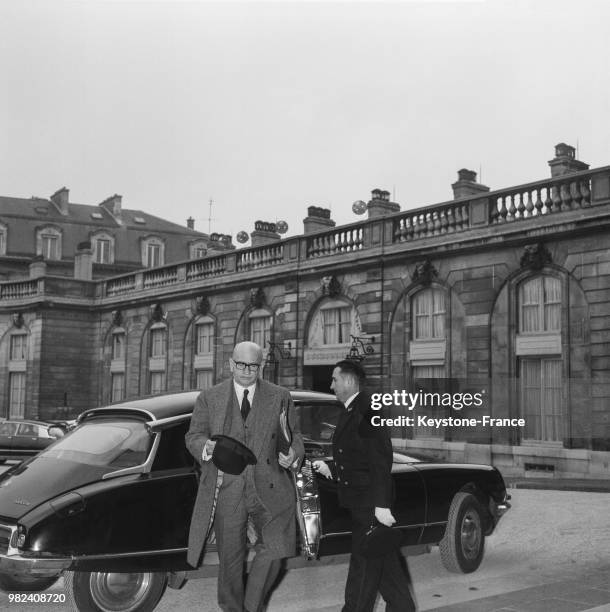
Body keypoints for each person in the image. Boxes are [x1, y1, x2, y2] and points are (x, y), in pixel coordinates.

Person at [185, 341, 304, 612]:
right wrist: (205, 447)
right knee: (230, 561)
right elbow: (193, 435)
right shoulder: (209, 397)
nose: (247, 371)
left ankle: (251, 607)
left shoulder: (280, 395)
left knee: (275, 550)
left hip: (271, 485)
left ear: (261, 366)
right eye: (241, 364)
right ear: (230, 364)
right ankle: (233, 608)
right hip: (228, 487)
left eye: (253, 365)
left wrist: (293, 454)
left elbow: (295, 435)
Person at [314, 360, 416, 612]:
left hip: (369, 504)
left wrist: (381, 506)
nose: (331, 385)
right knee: (385, 566)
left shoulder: (368, 409)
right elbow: (357, 454)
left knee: (363, 569)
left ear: (348, 381)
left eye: (334, 380)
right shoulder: (354, 408)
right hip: (361, 500)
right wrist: (333, 469)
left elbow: (379, 459)